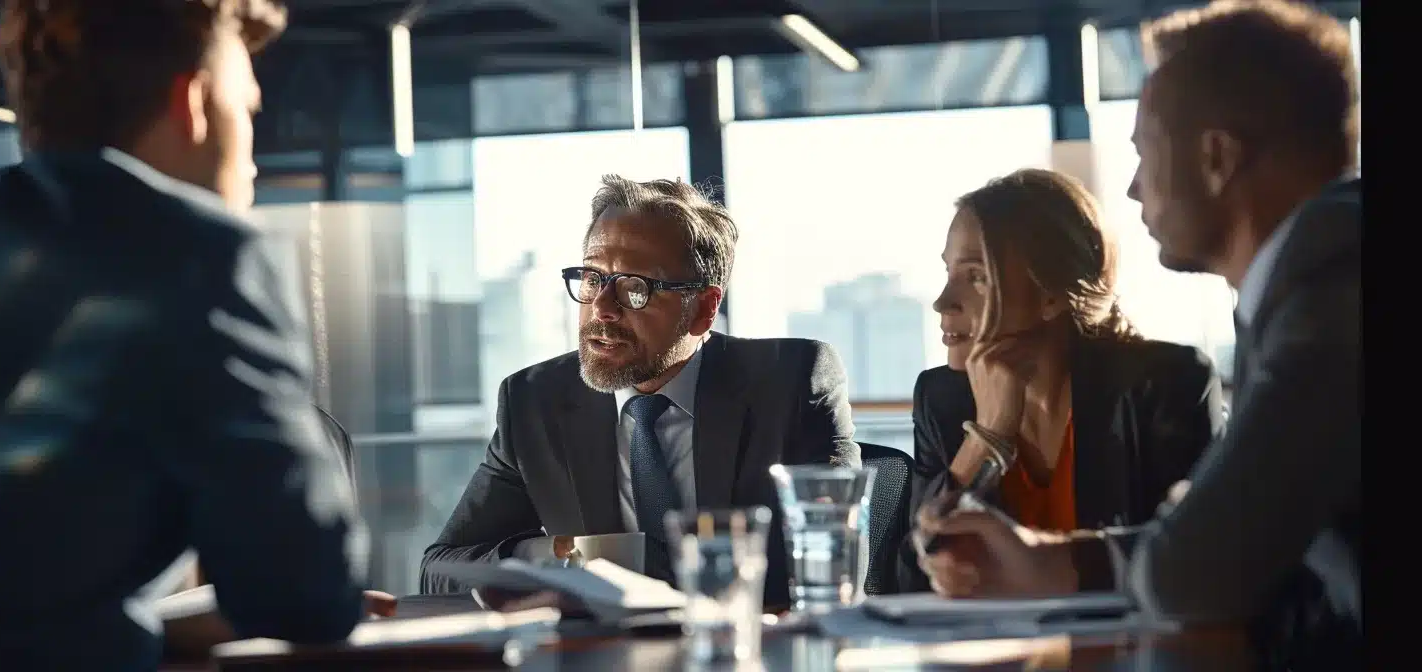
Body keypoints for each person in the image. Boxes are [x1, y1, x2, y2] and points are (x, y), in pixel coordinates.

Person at [0, 1, 369, 669]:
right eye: (249, 110)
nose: (254, 156)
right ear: (196, 103)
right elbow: (304, 596)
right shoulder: (205, 255)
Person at [916, 0, 1359, 666]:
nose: (1130, 188)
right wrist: (1055, 560)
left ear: (1216, 157)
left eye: (1145, 152)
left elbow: (1195, 570)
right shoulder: (1305, 285)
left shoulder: (1331, 291)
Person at [420, 175, 860, 609]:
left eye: (635, 288)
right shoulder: (534, 402)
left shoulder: (792, 382)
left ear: (704, 309)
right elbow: (440, 569)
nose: (602, 308)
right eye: (593, 278)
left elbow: (828, 563)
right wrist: (561, 557)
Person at [897, 168, 1224, 594]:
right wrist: (986, 438)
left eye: (976, 276)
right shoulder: (942, 399)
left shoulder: (1163, 386)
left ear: (1051, 294)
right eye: (948, 273)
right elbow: (910, 580)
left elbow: (1196, 565)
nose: (943, 302)